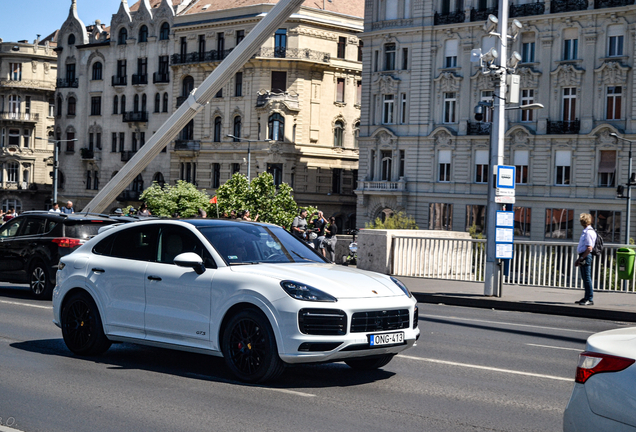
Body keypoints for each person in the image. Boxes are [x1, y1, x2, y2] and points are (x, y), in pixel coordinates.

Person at [575, 213, 597, 306]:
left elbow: (589, 248)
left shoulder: (588, 232)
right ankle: (586, 297)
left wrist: (580, 258)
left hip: (585, 256)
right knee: (585, 278)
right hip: (584, 255)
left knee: (587, 278)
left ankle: (590, 298)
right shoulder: (587, 231)